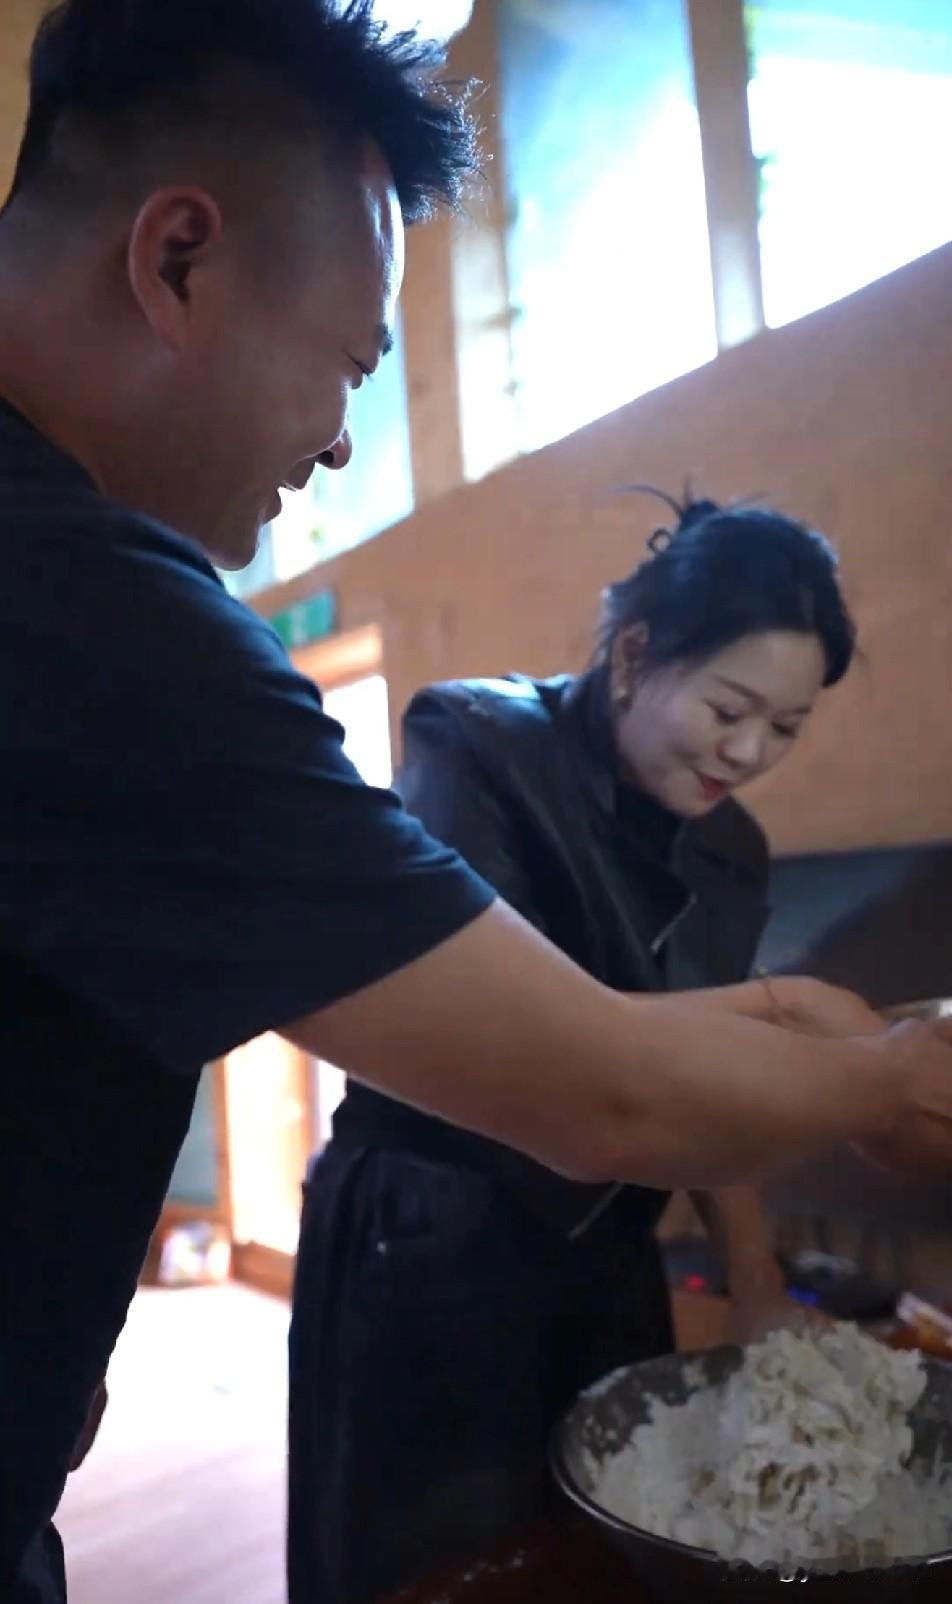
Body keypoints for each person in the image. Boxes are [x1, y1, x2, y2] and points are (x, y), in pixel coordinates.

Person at [1, 3, 952, 1600]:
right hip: (436, 1250)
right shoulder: (122, 626)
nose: (340, 441)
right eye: (351, 365)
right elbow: (600, 1085)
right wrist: (893, 1073)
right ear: (178, 259)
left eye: (782, 728)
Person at [285, 490, 879, 1602]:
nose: (748, 751)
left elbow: (707, 1091)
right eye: (730, 708)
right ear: (636, 655)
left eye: (786, 729)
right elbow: (512, 1050)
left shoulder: (732, 849)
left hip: (607, 1246)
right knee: (436, 1569)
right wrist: (806, 1022)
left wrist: (755, 1283)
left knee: (609, 1551)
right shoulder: (478, 741)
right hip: (433, 1232)